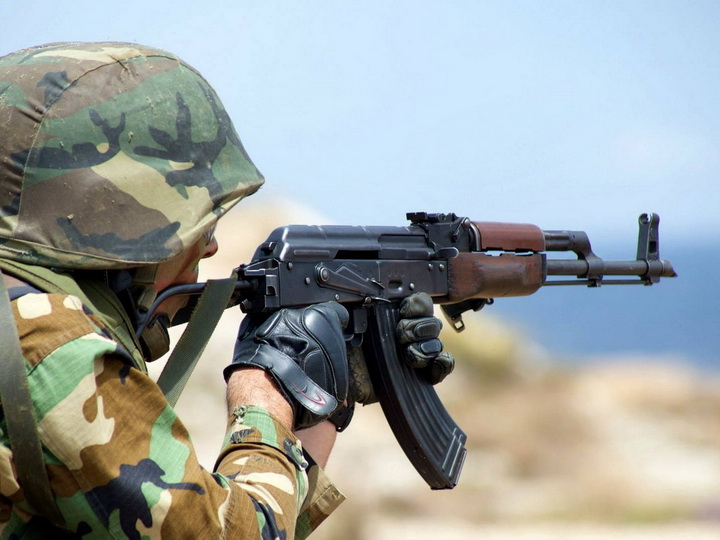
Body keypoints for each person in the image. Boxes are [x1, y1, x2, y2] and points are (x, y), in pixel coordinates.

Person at [0, 42, 454, 539]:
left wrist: (321, 396)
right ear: (126, 223)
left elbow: (264, 522)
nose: (210, 245)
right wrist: (265, 391)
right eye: (197, 221)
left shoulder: (19, 320)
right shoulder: (49, 347)